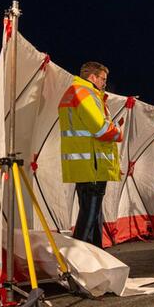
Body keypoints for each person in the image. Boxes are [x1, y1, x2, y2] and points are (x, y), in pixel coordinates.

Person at [58, 61, 123, 247]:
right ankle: (78, 257)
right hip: (92, 164)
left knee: (93, 213)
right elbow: (100, 128)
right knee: (89, 214)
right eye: (103, 79)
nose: (104, 83)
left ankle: (97, 253)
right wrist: (118, 131)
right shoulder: (85, 93)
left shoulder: (74, 92)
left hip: (83, 164)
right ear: (92, 77)